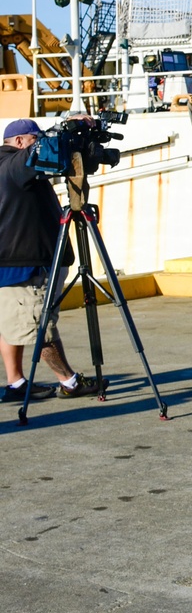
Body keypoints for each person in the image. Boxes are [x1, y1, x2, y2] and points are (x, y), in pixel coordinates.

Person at [0, 119, 100, 405]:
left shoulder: (10, 166)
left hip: (15, 260)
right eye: (36, 139)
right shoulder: (16, 164)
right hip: (27, 263)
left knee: (12, 323)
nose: (44, 145)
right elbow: (41, 152)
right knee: (38, 324)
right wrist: (67, 127)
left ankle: (16, 381)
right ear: (19, 142)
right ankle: (68, 381)